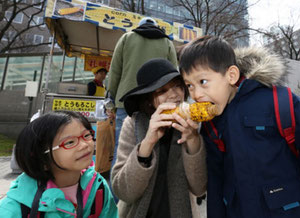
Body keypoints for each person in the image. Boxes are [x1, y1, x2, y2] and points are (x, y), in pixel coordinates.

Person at [179, 35, 300, 218]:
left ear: (231, 75)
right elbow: (216, 182)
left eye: (203, 82)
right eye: (189, 85)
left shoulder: (279, 101)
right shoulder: (211, 124)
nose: (196, 94)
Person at [111, 58, 207, 217]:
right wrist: (148, 142)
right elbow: (124, 192)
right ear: (149, 101)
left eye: (177, 86)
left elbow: (199, 187)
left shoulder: (195, 124)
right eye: (161, 91)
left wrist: (192, 139)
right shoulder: (133, 125)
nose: (174, 95)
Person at [0, 111, 118, 217]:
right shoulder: (15, 208)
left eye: (86, 135)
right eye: (70, 142)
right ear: (43, 159)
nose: (84, 145)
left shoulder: (97, 187)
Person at [108, 17, 178, 168]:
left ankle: (117, 191)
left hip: (125, 101)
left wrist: (111, 98)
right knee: (153, 149)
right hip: (156, 104)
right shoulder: (167, 42)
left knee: (121, 150)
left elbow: (114, 72)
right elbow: (174, 73)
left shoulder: (126, 38)